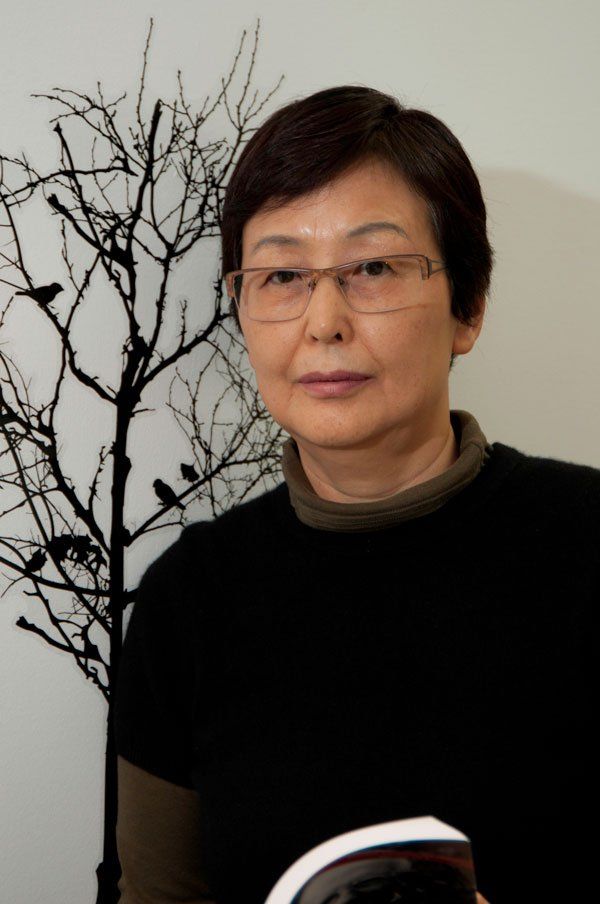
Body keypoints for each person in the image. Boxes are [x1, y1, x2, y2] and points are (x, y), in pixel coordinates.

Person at [113, 85, 597, 904]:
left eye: (372, 267)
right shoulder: (188, 601)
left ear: (468, 307)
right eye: (282, 276)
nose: (324, 320)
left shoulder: (585, 539)